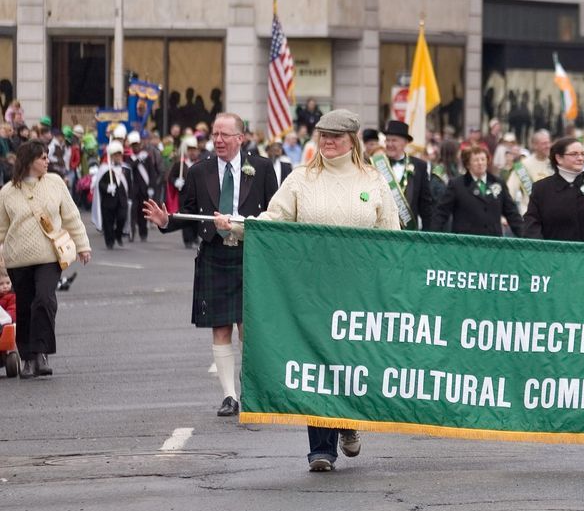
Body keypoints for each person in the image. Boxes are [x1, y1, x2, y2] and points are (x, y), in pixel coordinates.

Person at [213, 109, 400, 473]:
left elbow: (390, 235)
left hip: (358, 290)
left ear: (352, 141)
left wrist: (387, 283)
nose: (328, 142)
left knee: (349, 361)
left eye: (336, 137)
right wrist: (236, 226)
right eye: (323, 136)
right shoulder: (302, 179)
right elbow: (274, 220)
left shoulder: (373, 180)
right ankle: (320, 448)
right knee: (318, 361)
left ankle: (348, 423)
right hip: (312, 289)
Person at [142, 113, 278, 417]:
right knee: (220, 327)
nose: (217, 140)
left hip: (250, 254)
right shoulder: (199, 171)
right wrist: (167, 222)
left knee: (249, 328)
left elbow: (276, 212)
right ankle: (230, 396)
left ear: (240, 139)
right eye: (214, 135)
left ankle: (251, 389)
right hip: (215, 254)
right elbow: (188, 211)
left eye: (224, 135)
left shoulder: (263, 168)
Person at [0, 140, 92, 378]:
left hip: (49, 256)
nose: (47, 160)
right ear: (29, 161)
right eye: (42, 157)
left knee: (44, 299)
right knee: (25, 305)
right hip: (18, 259)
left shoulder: (55, 183)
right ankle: (27, 359)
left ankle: (41, 354)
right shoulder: (8, 192)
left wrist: (83, 246)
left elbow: (71, 216)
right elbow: (1, 229)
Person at [432, 145, 523, 237]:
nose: (480, 163)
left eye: (483, 159)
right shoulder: (457, 185)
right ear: (468, 164)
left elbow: (512, 213)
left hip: (493, 242)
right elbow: (441, 212)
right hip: (466, 242)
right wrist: (432, 237)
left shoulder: (498, 183)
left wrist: (525, 237)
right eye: (476, 160)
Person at [382, 120, 433, 231]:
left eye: (394, 140)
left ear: (405, 142)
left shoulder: (419, 166)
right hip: (382, 231)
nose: (389, 144)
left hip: (409, 231)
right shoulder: (377, 164)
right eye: (387, 140)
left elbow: (425, 204)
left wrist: (427, 234)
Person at [94, 141, 132, 250]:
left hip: (122, 200)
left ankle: (118, 234)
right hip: (108, 201)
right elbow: (100, 184)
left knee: (122, 218)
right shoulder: (105, 169)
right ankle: (109, 241)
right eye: (115, 155)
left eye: (119, 154)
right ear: (111, 156)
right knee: (108, 223)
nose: (118, 157)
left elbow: (129, 185)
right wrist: (107, 188)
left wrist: (130, 198)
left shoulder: (126, 169)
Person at [506, 129, 553, 215]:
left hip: (551, 216)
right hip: (530, 217)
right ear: (535, 145)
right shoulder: (522, 166)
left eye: (548, 142)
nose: (548, 146)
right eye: (544, 143)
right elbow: (509, 192)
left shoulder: (555, 165)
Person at [126, 131, 160, 242]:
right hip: (133, 190)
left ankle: (143, 233)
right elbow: (129, 168)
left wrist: (151, 187)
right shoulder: (129, 158)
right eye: (134, 145)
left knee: (143, 214)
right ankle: (131, 233)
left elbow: (152, 173)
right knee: (133, 213)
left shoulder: (147, 157)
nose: (136, 147)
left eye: (137, 145)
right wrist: (138, 161)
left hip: (144, 190)